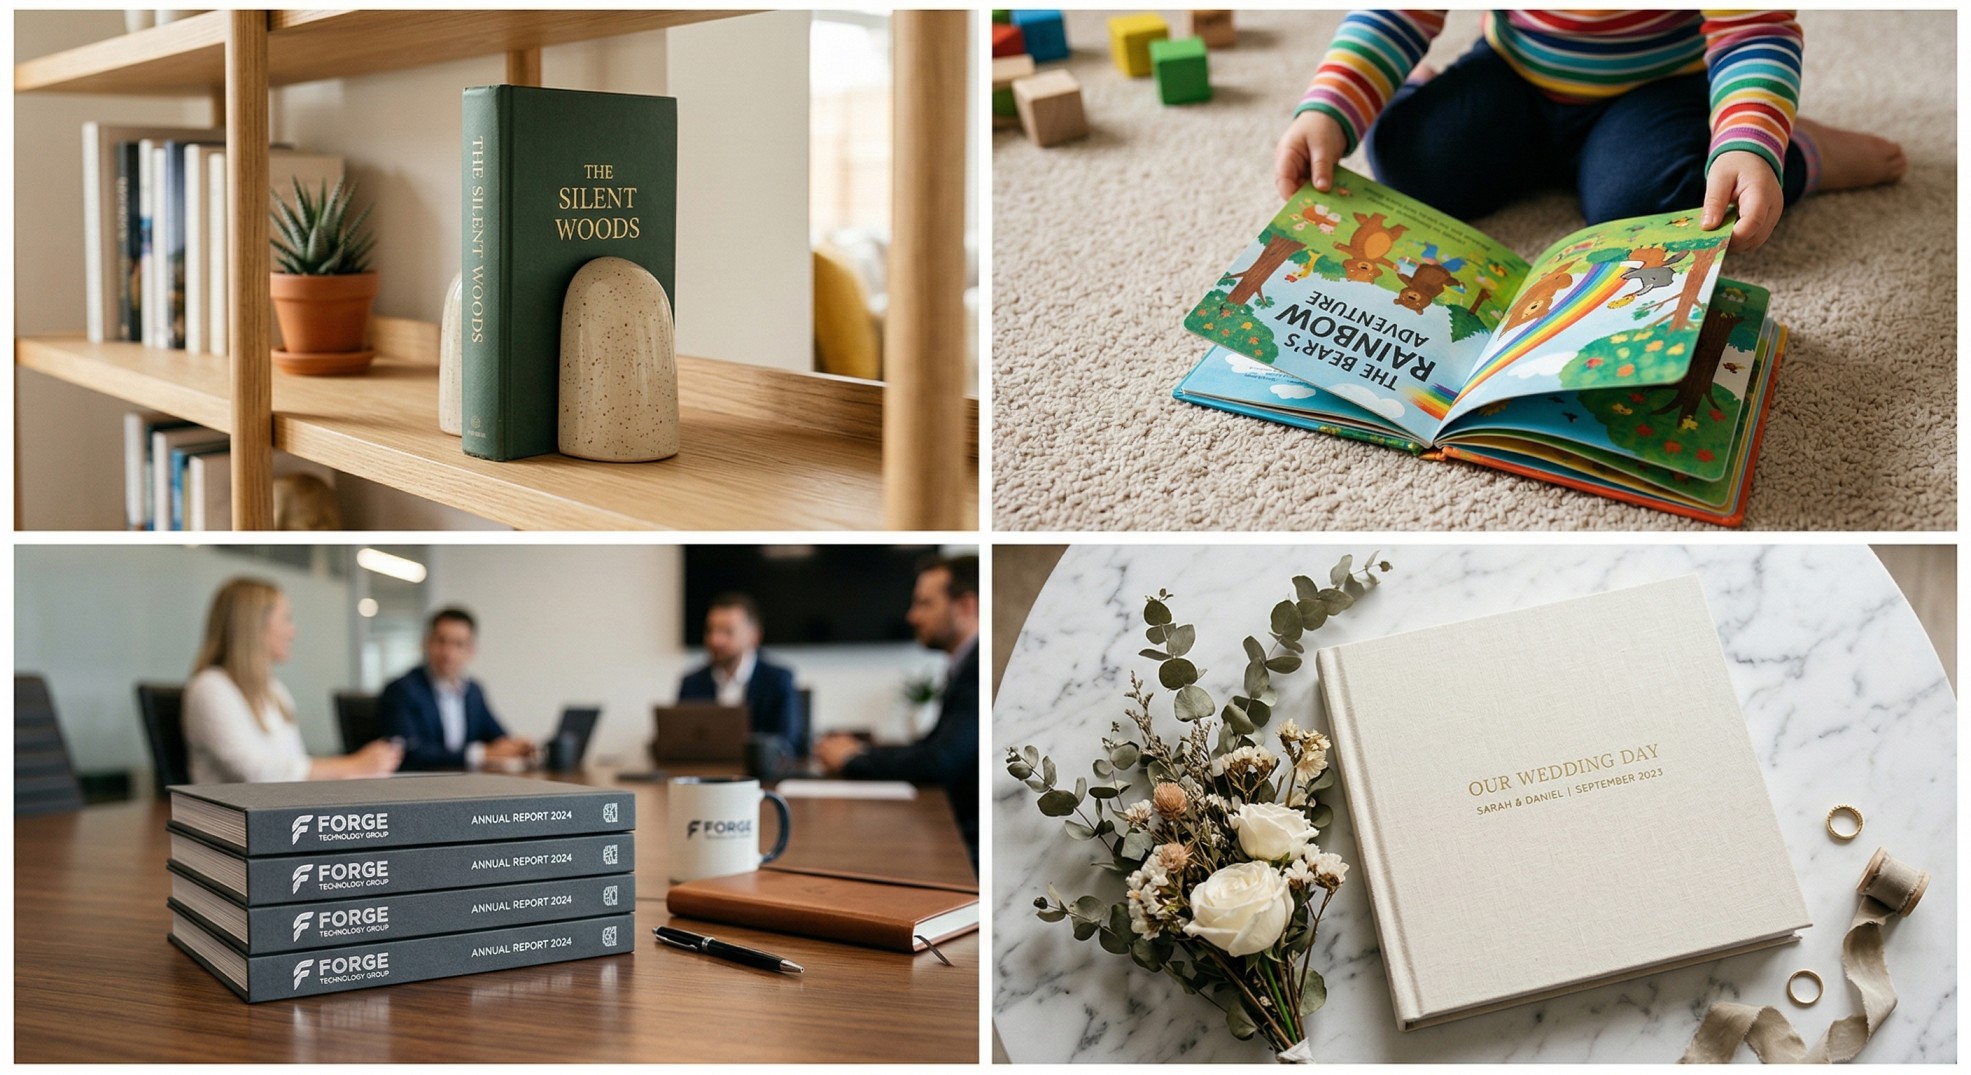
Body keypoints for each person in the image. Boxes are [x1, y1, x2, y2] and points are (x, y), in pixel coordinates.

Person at [1275, 11, 1906, 253]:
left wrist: (1749, 141)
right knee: (1407, 157)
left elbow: (1752, 32)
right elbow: (1396, 11)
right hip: (1518, 74)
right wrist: (1328, 108)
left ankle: (1800, 150)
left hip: (1655, 91)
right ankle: (1428, 90)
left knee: (1656, 206)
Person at [816, 554, 980, 871]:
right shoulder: (964, 665)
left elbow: (939, 761)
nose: (911, 616)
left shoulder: (978, 668)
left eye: (924, 603)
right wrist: (861, 751)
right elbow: (932, 747)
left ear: (965, 606)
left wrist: (854, 760)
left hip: (969, 848)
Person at [183, 577, 402, 783]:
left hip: (281, 806)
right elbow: (256, 774)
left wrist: (358, 768)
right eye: (286, 618)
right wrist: (352, 764)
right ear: (255, 626)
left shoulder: (274, 691)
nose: (293, 631)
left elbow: (294, 769)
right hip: (236, 810)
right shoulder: (210, 688)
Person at [378, 608, 534, 771]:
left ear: (471, 650)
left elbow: (497, 737)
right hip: (419, 781)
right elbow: (409, 752)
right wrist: (479, 754)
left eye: (458, 644)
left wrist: (517, 747)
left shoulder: (473, 691)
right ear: (426, 643)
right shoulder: (401, 690)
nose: (448, 653)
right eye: (441, 641)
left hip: (467, 781)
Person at [677, 593, 801, 751]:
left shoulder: (778, 680)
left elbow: (788, 742)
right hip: (705, 766)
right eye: (710, 630)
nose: (715, 640)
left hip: (757, 767)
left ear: (754, 636)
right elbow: (679, 742)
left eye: (727, 631)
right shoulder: (691, 683)